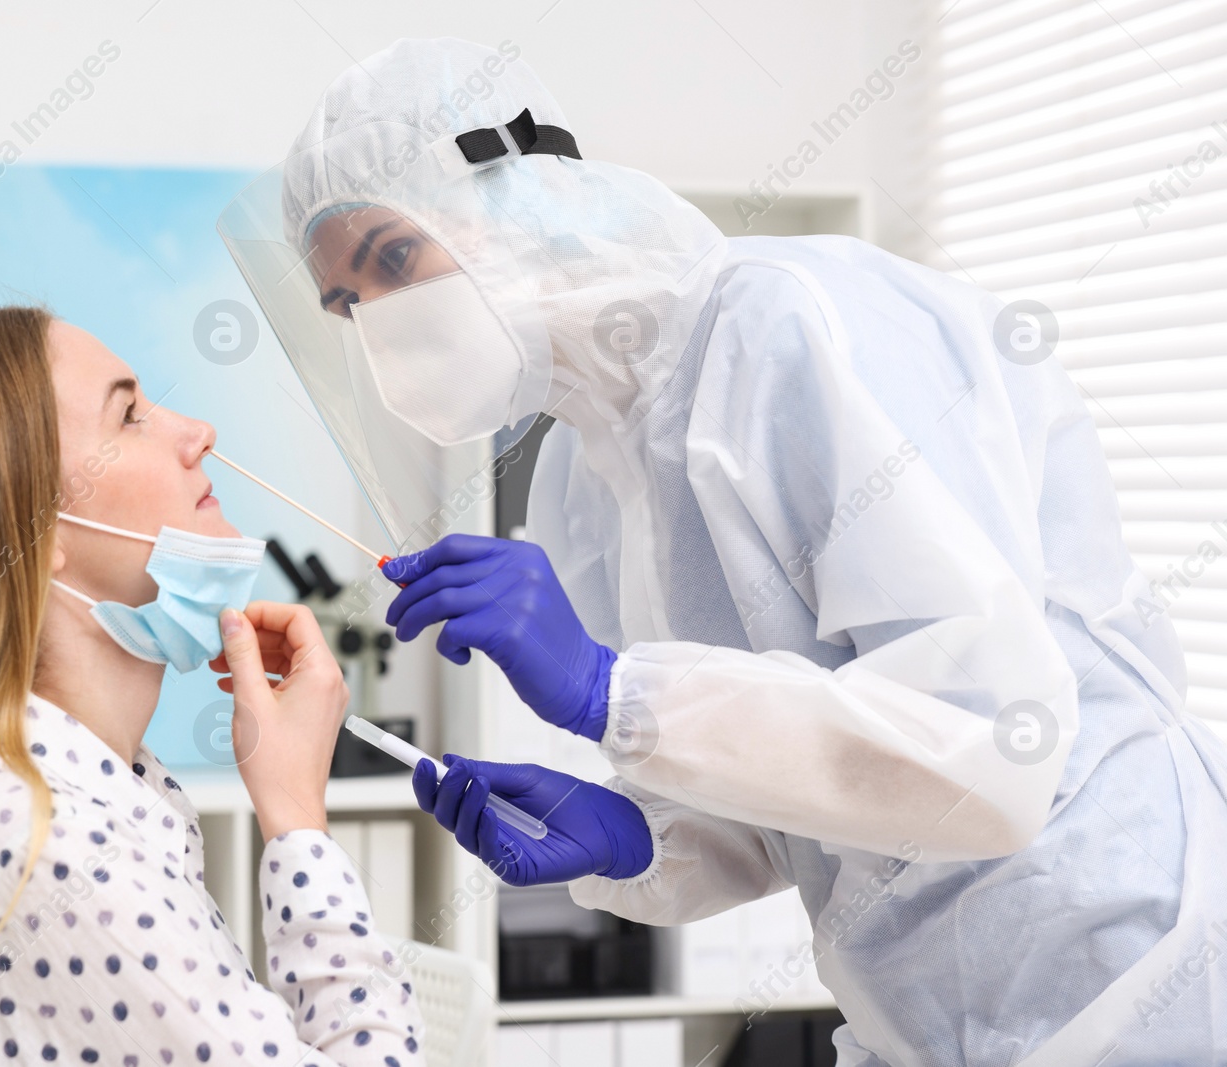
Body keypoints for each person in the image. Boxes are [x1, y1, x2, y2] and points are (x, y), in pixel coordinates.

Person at [219, 37, 1227, 1067]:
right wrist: (641, 831)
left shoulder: (786, 324)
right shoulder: (584, 474)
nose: (375, 317)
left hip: (1123, 956)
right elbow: (823, 781)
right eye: (344, 301)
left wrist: (614, 690)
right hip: (915, 1012)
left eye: (392, 257)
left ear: (512, 191)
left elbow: (993, 755)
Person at [0, 307, 423, 1067]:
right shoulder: (40, 842)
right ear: (35, 533)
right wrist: (296, 818)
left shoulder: (98, 791)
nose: (198, 432)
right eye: (129, 415)